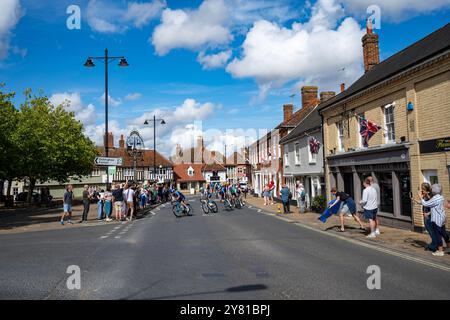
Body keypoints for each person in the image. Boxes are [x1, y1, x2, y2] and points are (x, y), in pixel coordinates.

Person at [419, 184, 448, 257]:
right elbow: (433, 207)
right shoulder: (441, 197)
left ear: (434, 191)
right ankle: (448, 246)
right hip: (442, 218)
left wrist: (420, 196)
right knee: (444, 233)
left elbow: (426, 204)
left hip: (437, 219)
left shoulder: (435, 198)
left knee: (438, 235)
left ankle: (440, 251)